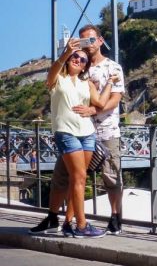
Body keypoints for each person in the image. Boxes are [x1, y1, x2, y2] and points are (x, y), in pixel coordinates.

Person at [30, 25, 126, 236]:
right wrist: (68, 53)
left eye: (90, 40)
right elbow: (55, 78)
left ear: (100, 40)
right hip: (75, 130)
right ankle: (58, 219)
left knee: (110, 176)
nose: (86, 46)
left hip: (106, 129)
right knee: (64, 176)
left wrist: (93, 110)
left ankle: (114, 218)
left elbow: (114, 99)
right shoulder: (78, 66)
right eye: (82, 41)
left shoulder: (113, 67)